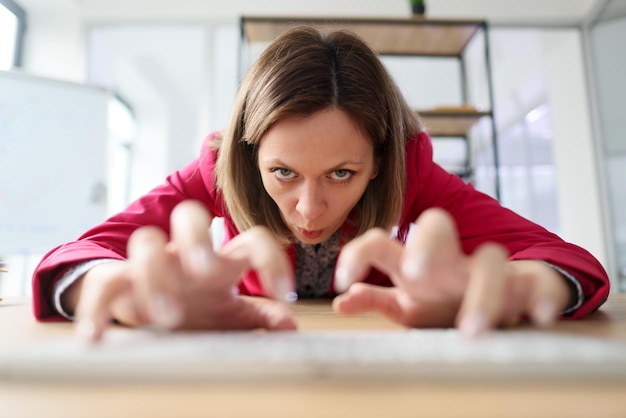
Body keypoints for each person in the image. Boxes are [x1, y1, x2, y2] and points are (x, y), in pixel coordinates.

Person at [32, 26, 609, 342]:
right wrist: (119, 288)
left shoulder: (415, 174)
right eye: (283, 172)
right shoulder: (215, 169)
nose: (310, 208)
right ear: (249, 154)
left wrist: (521, 286)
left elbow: (570, 261)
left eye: (342, 173)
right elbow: (79, 253)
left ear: (381, 162)